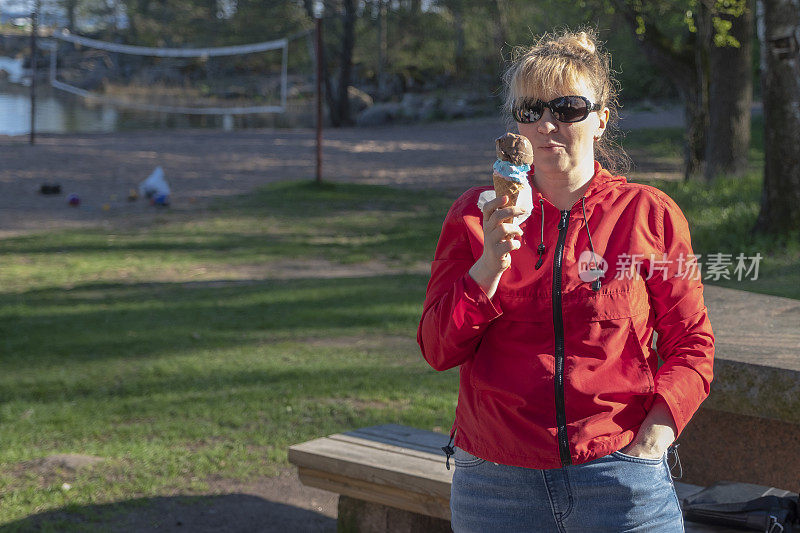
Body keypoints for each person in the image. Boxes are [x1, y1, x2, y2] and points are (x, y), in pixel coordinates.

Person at [417, 29, 714, 532]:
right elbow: (438, 349)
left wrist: (654, 438)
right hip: (495, 482)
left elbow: (693, 343)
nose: (546, 124)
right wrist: (489, 262)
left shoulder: (650, 214)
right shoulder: (475, 215)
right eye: (530, 110)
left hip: (620, 475)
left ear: (600, 119)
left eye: (568, 108)